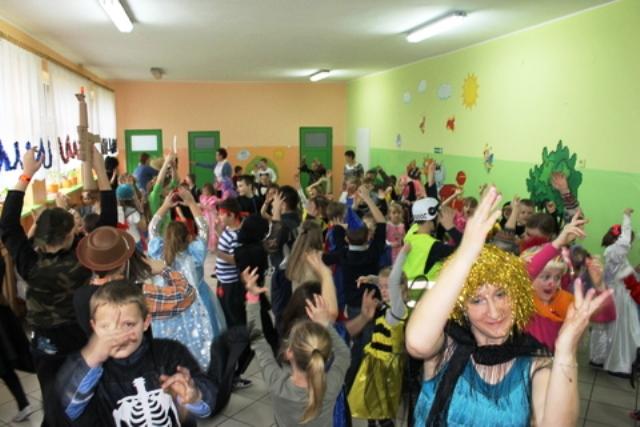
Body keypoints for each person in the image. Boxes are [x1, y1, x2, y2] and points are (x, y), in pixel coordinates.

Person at [406, 187, 611, 426]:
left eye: (501, 294)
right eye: (477, 300)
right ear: (462, 306)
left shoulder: (533, 364)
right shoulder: (447, 346)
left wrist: (566, 350)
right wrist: (466, 252)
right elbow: (417, 343)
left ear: (516, 294)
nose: (494, 312)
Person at [0, 147, 116, 427]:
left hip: (45, 343)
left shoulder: (29, 263)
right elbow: (108, 222)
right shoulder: (83, 259)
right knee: (87, 395)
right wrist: (100, 171)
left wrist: (26, 174)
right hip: (81, 337)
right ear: (70, 235)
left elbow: (8, 225)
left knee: (53, 401)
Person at [56, 281, 216, 426]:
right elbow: (67, 411)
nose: (118, 336)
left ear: (145, 322)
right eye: (106, 327)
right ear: (94, 327)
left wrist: (195, 396)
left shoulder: (170, 354)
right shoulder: (91, 375)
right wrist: (91, 359)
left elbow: (207, 405)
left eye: (128, 324)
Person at [243, 268, 350, 426]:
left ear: (289, 353)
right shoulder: (331, 386)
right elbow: (344, 353)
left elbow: (257, 341)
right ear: (326, 355)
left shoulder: (277, 384)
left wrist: (252, 298)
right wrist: (326, 324)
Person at [148, 187, 226, 339]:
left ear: (165, 239)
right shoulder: (195, 254)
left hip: (171, 304)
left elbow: (152, 228)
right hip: (199, 301)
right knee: (205, 333)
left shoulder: (159, 252)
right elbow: (204, 228)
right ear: (189, 237)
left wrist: (165, 206)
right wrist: (191, 203)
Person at [348, 244, 410, 426]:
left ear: (400, 288)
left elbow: (393, 280)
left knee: (382, 406)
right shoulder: (387, 305)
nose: (383, 290)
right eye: (381, 287)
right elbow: (386, 282)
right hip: (374, 362)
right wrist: (370, 279)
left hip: (386, 367)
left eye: (388, 287)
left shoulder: (398, 309)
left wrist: (402, 254)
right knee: (370, 401)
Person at [602, 209, 640, 376]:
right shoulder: (614, 251)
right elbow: (624, 243)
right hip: (620, 296)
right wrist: (627, 217)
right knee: (623, 330)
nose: (630, 245)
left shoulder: (614, 253)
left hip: (621, 294)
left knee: (626, 329)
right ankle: (619, 364)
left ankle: (625, 361)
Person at [199, 183, 220, 253]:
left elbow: (210, 208)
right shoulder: (202, 198)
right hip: (205, 216)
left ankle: (213, 246)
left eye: (205, 190)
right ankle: (206, 246)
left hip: (212, 216)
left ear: (210, 191)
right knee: (205, 230)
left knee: (212, 230)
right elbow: (202, 208)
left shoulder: (213, 198)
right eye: (203, 190)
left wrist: (201, 206)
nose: (203, 191)